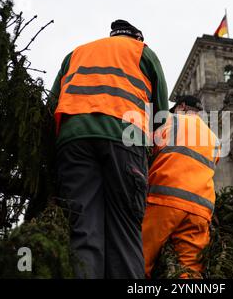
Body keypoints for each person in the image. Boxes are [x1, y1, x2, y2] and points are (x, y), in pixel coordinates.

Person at [48, 19, 168, 278]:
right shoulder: (142, 52)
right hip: (125, 138)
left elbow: (50, 104)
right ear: (137, 37)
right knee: (124, 231)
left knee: (83, 228)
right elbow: (161, 117)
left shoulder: (77, 53)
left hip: (74, 138)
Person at [142, 95, 221, 278]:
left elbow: (147, 153)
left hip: (165, 200)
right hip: (201, 210)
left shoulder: (169, 122)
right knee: (189, 272)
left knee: (138, 260)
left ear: (182, 106)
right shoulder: (214, 138)